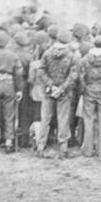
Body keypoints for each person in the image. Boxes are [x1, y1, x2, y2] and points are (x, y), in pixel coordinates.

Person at [37, 30, 78, 158]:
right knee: (63, 118)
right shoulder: (72, 56)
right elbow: (73, 75)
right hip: (64, 92)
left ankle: (40, 146)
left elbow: (41, 71)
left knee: (45, 118)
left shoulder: (47, 53)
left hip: (48, 91)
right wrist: (61, 88)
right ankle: (63, 147)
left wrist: (50, 85)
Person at [0, 31, 24, 153]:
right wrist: (19, 89)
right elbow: (18, 74)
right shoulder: (13, 55)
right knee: (9, 115)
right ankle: (9, 143)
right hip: (9, 84)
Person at [79, 36, 101, 157]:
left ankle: (87, 150)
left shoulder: (84, 60)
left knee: (88, 120)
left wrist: (83, 90)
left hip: (89, 89)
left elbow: (81, 77)